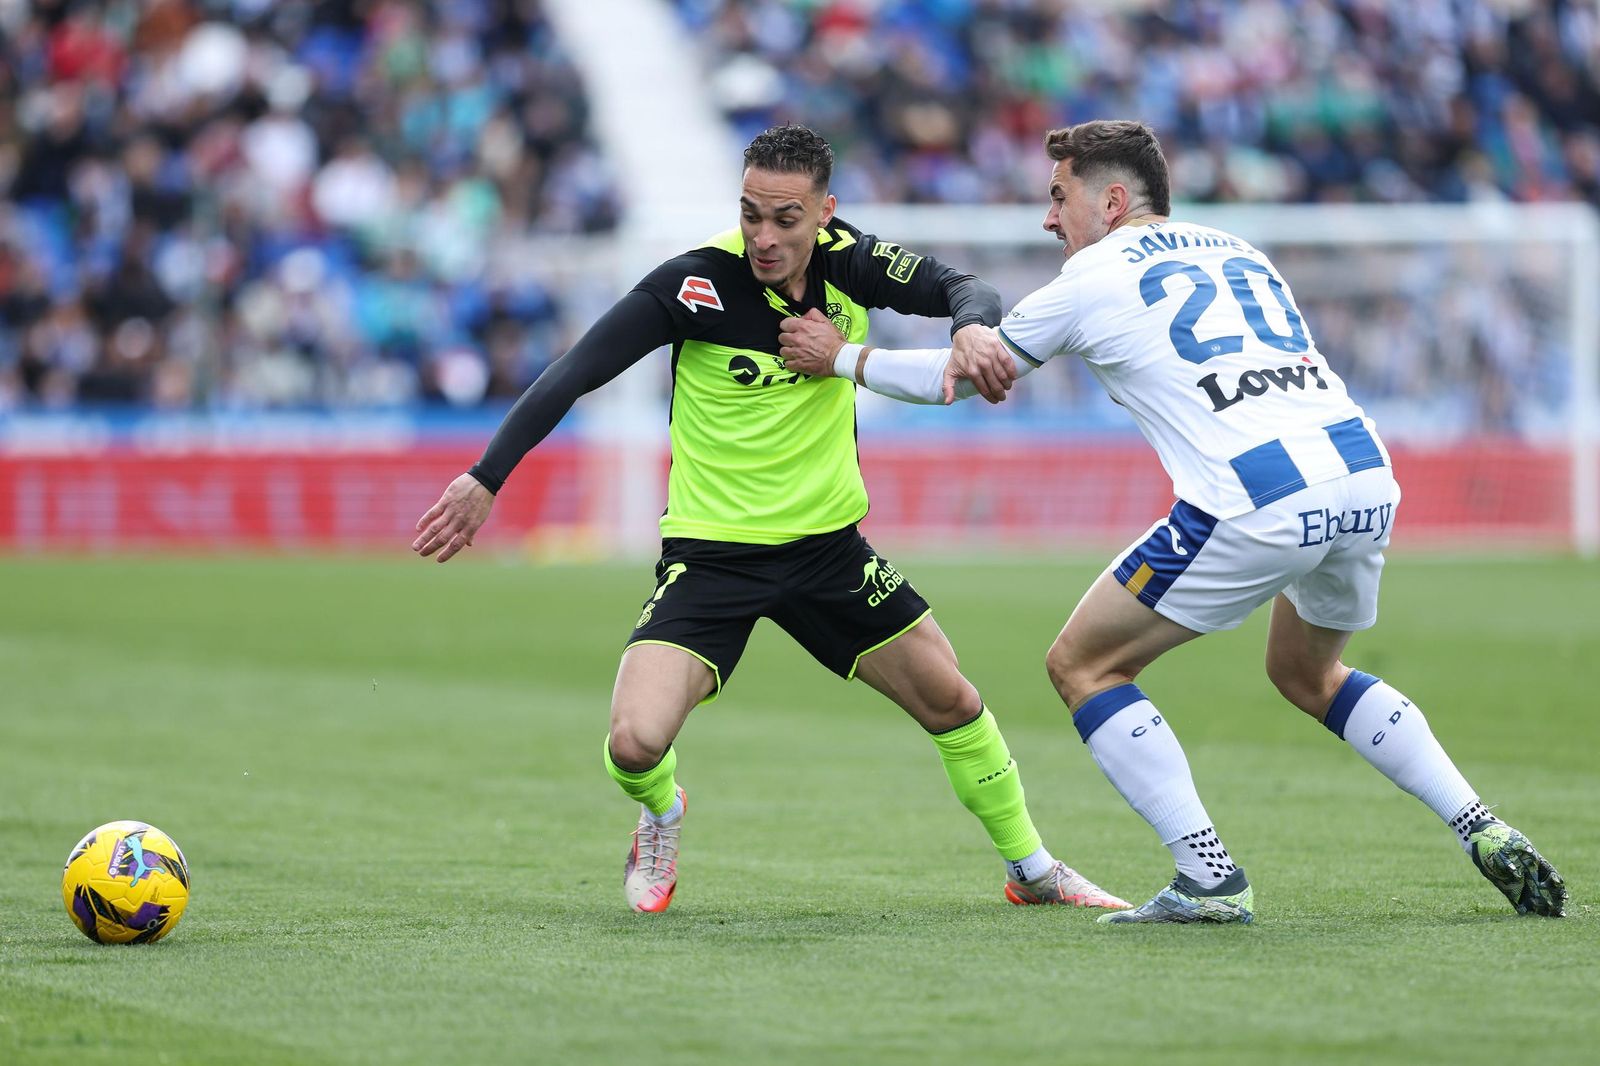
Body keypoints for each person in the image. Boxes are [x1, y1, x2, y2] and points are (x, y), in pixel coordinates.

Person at [776, 120, 1567, 924]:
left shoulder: (1091, 277)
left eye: (1059, 197)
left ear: (1112, 200)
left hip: (1254, 497)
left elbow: (961, 378)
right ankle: (1481, 824)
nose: (1049, 219)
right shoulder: (1240, 249)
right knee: (1309, 675)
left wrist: (841, 356)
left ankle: (1209, 877)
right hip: (1362, 476)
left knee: (1082, 666)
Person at [411, 124, 1128, 915]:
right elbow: (572, 373)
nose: (763, 236)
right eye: (751, 213)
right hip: (712, 557)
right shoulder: (695, 284)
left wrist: (969, 327)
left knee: (954, 703)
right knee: (633, 744)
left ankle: (1031, 871)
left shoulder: (852, 260)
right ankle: (663, 811)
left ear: (825, 212)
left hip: (829, 553)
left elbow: (964, 287)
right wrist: (486, 478)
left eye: (785, 218)